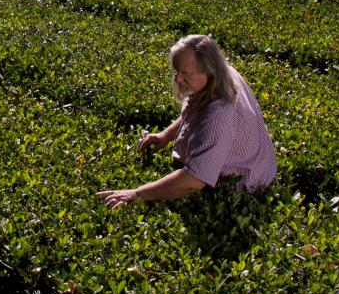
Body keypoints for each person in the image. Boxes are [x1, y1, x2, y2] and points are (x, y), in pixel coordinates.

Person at [97, 33, 276, 210]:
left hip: (242, 182)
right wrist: (166, 135)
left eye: (184, 73)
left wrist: (136, 194)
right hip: (260, 161)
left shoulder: (219, 117)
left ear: (209, 71)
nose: (177, 79)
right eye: (177, 71)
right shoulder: (223, 73)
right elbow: (193, 111)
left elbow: (194, 180)